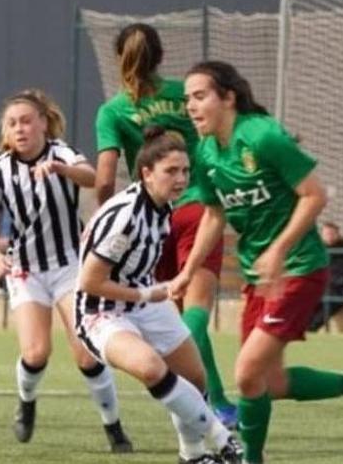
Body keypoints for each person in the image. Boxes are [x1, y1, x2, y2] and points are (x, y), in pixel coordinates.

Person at [172, 61, 343, 464]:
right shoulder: (205, 152)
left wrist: (280, 249)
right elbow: (214, 215)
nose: (190, 105)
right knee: (266, 382)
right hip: (261, 276)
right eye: (187, 99)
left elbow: (314, 195)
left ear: (228, 97)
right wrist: (187, 272)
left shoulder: (263, 136)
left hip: (299, 268)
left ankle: (250, 460)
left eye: (200, 96)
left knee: (246, 372)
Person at [93, 22, 237, 428]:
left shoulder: (113, 110)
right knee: (194, 313)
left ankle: (213, 404)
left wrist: (109, 220)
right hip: (197, 208)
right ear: (160, 56)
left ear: (118, 59)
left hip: (149, 219)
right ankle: (215, 406)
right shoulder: (186, 95)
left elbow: (104, 180)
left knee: (172, 319)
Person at [0, 89, 132, 453]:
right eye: (13, 123)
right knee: (35, 353)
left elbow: (92, 178)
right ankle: (26, 403)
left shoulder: (61, 154)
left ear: (44, 124)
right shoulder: (0, 171)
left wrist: (61, 170)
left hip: (70, 266)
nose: (20, 129)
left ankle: (114, 429)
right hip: (26, 270)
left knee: (85, 353)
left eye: (27, 121)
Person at [76, 125, 242, 464]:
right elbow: (89, 282)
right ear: (147, 173)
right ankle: (222, 439)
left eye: (184, 171)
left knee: (196, 379)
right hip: (102, 312)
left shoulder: (164, 207)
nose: (181, 179)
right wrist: (148, 294)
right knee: (152, 368)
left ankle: (191, 456)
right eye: (171, 171)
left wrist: (167, 285)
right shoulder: (126, 216)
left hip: (142, 301)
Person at [308, 221, 343, 331]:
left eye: (332, 234)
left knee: (329, 300)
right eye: (327, 234)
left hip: (339, 289)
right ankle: (304, 327)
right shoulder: (316, 249)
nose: (330, 237)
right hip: (320, 287)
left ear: (338, 235)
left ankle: (311, 328)